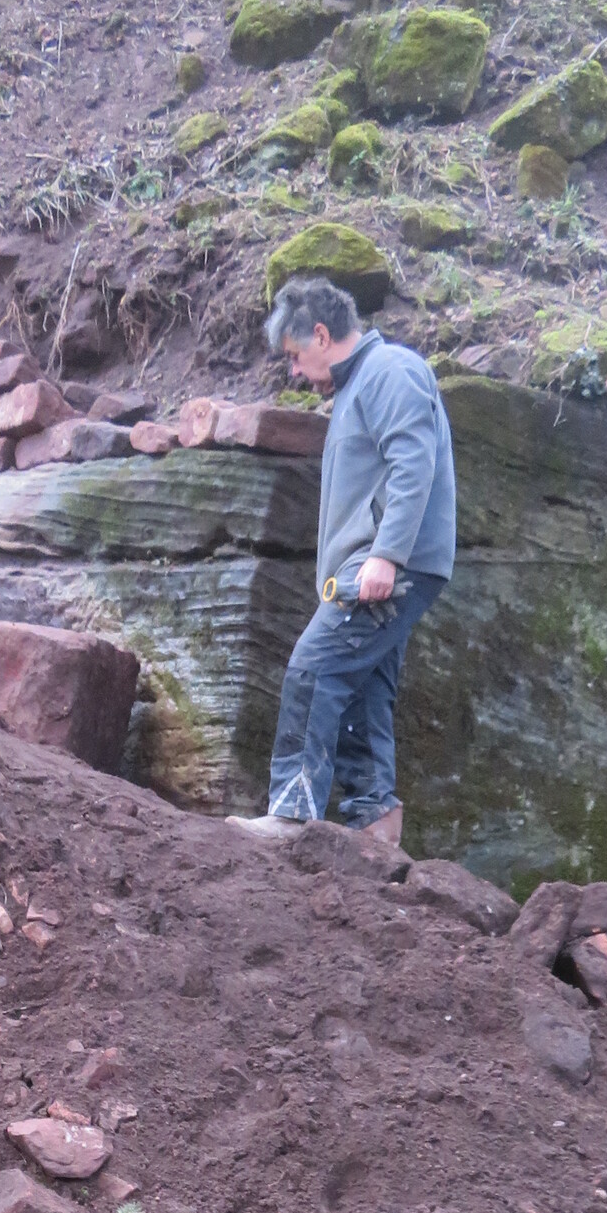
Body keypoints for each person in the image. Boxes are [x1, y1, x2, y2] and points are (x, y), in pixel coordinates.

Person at [229, 274, 456, 838]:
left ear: (322, 335)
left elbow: (413, 465)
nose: (294, 371)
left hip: (389, 566)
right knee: (364, 687)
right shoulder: (361, 385)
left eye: (295, 356)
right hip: (384, 563)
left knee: (314, 668)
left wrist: (386, 555)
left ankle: (291, 812)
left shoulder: (390, 371)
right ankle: (375, 826)